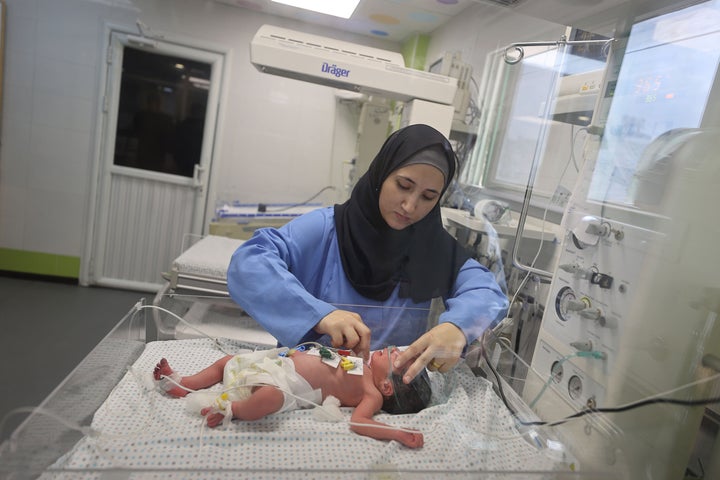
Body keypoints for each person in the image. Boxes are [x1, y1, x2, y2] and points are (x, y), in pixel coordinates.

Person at [227, 124, 508, 385]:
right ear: (381, 174)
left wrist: (458, 327)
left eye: (428, 197)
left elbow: (486, 290)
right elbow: (249, 262)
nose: (410, 206)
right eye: (404, 186)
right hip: (313, 386)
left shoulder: (432, 246)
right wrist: (319, 315)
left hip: (390, 392)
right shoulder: (326, 229)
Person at [153, 346, 430, 448]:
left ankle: (232, 409)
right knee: (227, 361)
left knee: (269, 398)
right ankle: (183, 383)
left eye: (398, 358)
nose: (394, 348)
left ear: (387, 387)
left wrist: (396, 433)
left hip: (288, 384)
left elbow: (359, 422)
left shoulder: (371, 394)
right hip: (277, 362)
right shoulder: (365, 364)